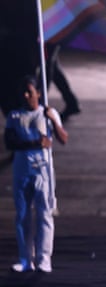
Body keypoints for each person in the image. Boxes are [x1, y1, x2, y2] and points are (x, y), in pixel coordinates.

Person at [4, 75, 69, 273]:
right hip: (22, 171)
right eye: (23, 92)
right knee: (23, 215)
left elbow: (63, 139)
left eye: (29, 92)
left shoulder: (48, 113)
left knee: (44, 214)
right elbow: (9, 142)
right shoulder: (15, 116)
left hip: (43, 172)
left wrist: (54, 122)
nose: (25, 95)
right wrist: (34, 144)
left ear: (38, 94)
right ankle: (25, 260)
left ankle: (44, 259)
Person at [45, 43, 81, 121]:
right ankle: (72, 102)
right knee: (52, 65)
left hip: (49, 36)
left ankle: (41, 100)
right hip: (50, 35)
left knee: (48, 63)